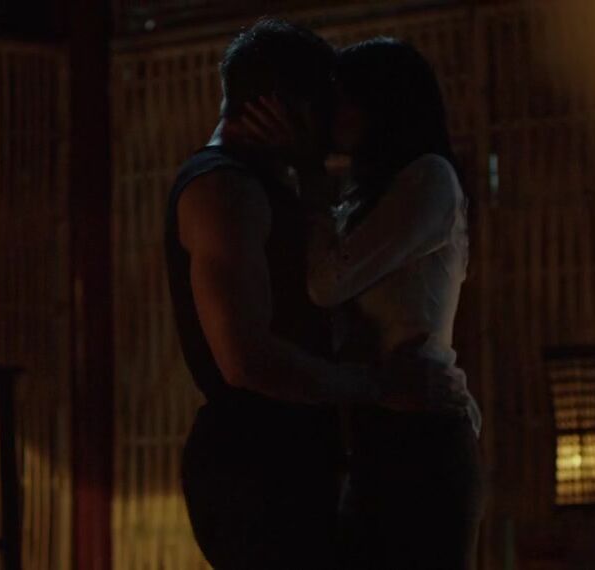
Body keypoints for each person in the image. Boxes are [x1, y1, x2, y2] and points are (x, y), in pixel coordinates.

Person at [166, 19, 420, 569]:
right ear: (285, 106)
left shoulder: (262, 184)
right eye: (323, 107)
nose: (332, 128)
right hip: (256, 473)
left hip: (286, 458)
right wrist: (372, 385)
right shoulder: (224, 190)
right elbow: (246, 359)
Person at [237, 37, 484, 569]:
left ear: (382, 105)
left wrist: (308, 173)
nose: (333, 114)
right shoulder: (365, 194)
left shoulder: (429, 179)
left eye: (345, 100)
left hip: (423, 433)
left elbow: (327, 283)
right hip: (377, 428)